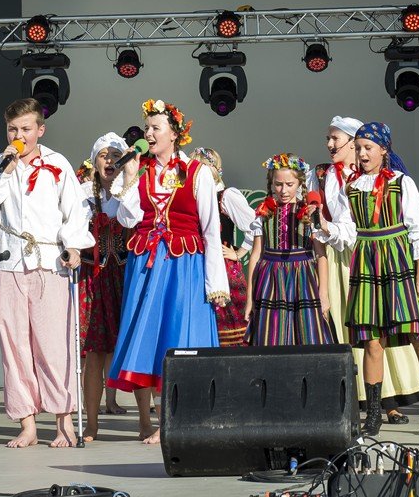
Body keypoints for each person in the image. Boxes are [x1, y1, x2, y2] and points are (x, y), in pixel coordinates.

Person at [0, 98, 93, 449]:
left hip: (49, 261)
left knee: (53, 344)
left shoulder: (57, 164)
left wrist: (73, 246)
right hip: (10, 262)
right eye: (12, 129)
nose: (19, 135)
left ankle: (63, 421)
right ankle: (27, 423)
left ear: (40, 130)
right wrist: (4, 173)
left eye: (25, 129)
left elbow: (76, 211)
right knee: (14, 344)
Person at [108, 98, 230, 444]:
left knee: (178, 337)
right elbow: (127, 219)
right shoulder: (141, 171)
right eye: (147, 128)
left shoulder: (197, 172)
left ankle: (172, 421)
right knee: (145, 338)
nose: (148, 133)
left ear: (175, 134)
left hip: (183, 266)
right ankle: (149, 421)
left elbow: (211, 230)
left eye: (155, 128)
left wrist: (215, 283)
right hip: (146, 265)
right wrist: (129, 176)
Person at [331, 120, 419, 435]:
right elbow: (347, 233)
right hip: (368, 264)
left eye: (368, 148)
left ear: (383, 150)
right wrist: (323, 228)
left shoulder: (401, 183)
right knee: (373, 343)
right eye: (358, 148)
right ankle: (373, 416)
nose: (362, 154)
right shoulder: (351, 187)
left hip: (400, 261)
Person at [315, 117, 419, 424]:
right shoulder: (322, 175)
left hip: (378, 255)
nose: (330, 144)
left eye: (336, 138)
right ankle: (362, 402)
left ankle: (391, 400)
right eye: (328, 138)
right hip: (340, 256)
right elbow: (325, 227)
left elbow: (410, 222)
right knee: (360, 333)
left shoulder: (387, 178)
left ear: (355, 142)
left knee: (390, 327)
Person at [246, 153, 332, 345]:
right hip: (271, 279)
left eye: (289, 184)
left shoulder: (309, 212)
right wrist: (250, 298)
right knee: (272, 334)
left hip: (303, 278)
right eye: (278, 184)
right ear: (271, 183)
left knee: (307, 333)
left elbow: (321, 255)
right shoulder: (264, 212)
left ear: (300, 183)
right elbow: (255, 255)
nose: (283, 190)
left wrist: (324, 294)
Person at [79, 132, 129, 442]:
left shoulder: (131, 191)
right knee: (94, 352)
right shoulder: (83, 193)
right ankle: (92, 423)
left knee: (129, 345)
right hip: (92, 279)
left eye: (115, 155)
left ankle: (147, 421)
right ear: (94, 161)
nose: (109, 160)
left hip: (124, 277)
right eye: (103, 155)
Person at [194, 147, 251, 347]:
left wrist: (239, 253)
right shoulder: (193, 198)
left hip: (224, 269)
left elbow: (255, 225)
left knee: (229, 324)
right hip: (198, 265)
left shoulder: (225, 196)